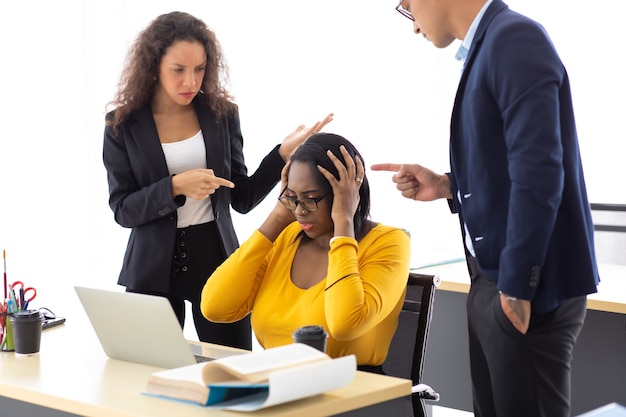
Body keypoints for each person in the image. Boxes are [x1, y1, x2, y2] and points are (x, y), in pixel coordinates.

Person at [371, 1, 600, 416]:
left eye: (406, 7)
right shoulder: (490, 45)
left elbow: (539, 173)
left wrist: (516, 286)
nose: (414, 26)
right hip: (491, 281)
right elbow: (508, 166)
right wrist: (446, 185)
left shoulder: (513, 38)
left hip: (524, 289)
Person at [103, 11, 332, 350]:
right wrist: (175, 186)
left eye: (199, 69)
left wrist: (281, 155)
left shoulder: (221, 114)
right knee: (147, 376)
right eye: (178, 70)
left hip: (217, 261)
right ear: (154, 65)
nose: (190, 82)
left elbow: (240, 197)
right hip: (150, 270)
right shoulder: (121, 124)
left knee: (234, 371)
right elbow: (123, 209)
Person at [201, 133, 410, 373]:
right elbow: (214, 307)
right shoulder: (287, 236)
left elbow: (344, 325)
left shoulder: (389, 242)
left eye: (310, 199)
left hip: (349, 393)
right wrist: (278, 216)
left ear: (346, 194)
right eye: (292, 198)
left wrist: (343, 223)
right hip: (276, 384)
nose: (299, 211)